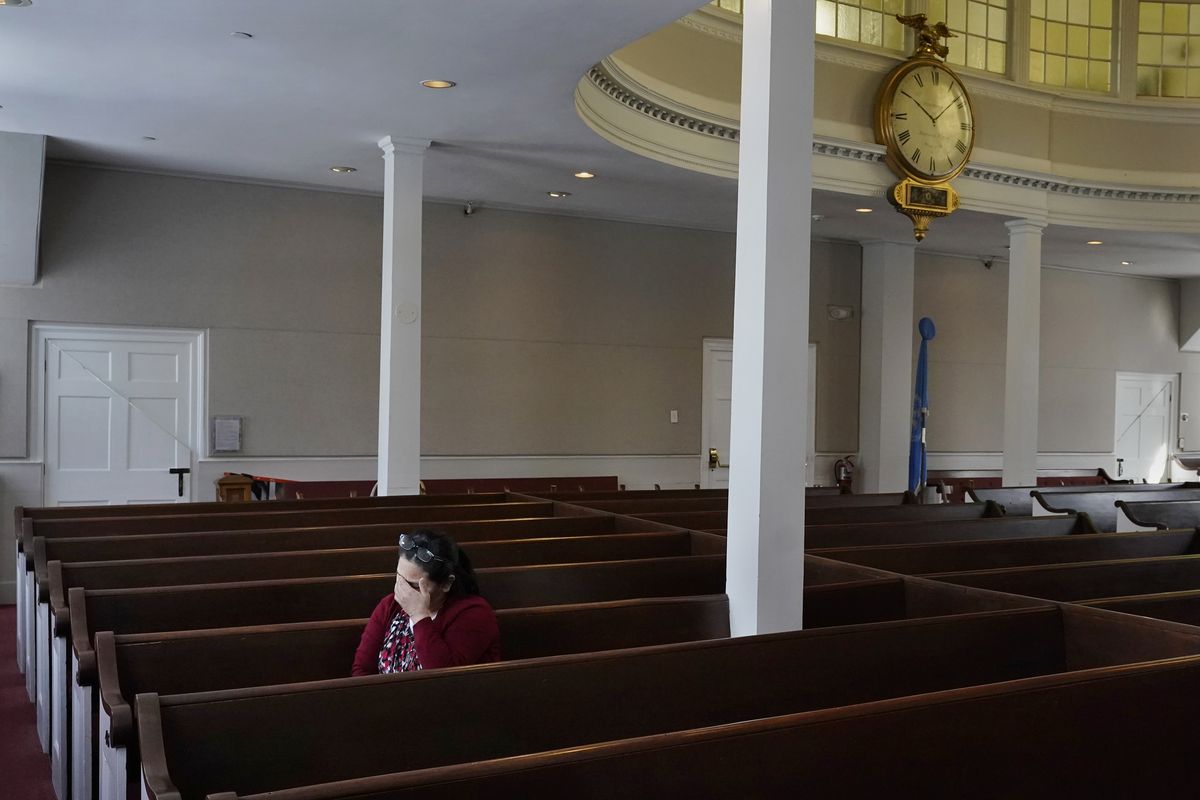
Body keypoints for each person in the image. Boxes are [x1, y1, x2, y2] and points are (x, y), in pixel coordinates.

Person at [351, 528, 501, 675]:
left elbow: (444, 678)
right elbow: (362, 670)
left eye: (414, 585)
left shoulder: (474, 614)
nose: (402, 589)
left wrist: (419, 616)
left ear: (446, 584)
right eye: (399, 577)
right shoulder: (390, 606)